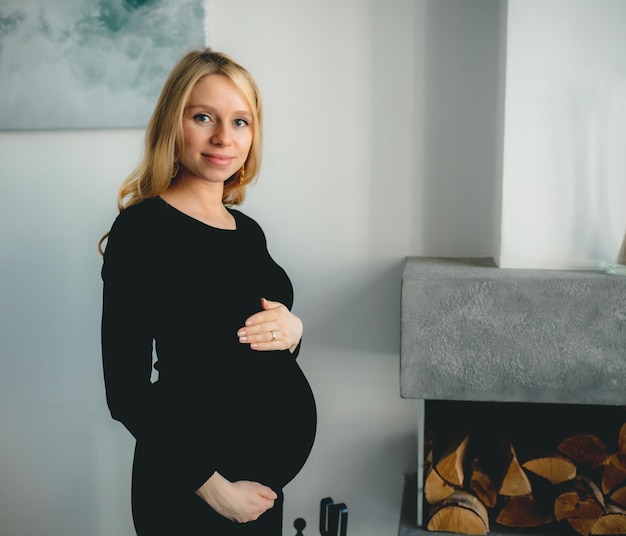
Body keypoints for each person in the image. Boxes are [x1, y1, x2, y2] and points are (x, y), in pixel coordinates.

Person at [99, 48, 317, 535]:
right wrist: (214, 488)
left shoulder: (247, 230)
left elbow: (249, 344)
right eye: (204, 117)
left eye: (240, 121)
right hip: (192, 488)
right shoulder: (142, 231)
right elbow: (126, 391)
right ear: (173, 124)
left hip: (258, 489)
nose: (224, 137)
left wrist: (294, 330)